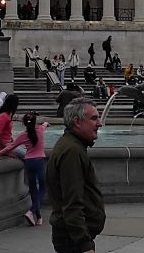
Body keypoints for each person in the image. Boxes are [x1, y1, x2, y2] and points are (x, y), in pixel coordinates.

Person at [47, 97, 105, 253]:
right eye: (94, 118)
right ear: (77, 122)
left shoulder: (72, 145)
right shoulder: (72, 151)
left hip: (72, 236)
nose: (99, 123)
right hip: (73, 240)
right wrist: (85, 245)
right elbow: (72, 202)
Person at [0, 111, 50, 226]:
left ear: (24, 123)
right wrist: (46, 123)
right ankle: (31, 212)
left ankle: (39, 217)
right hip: (39, 162)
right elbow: (44, 125)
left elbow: (10, 147)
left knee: (33, 189)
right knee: (42, 188)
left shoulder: (23, 135)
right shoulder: (40, 130)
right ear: (35, 121)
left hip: (28, 162)